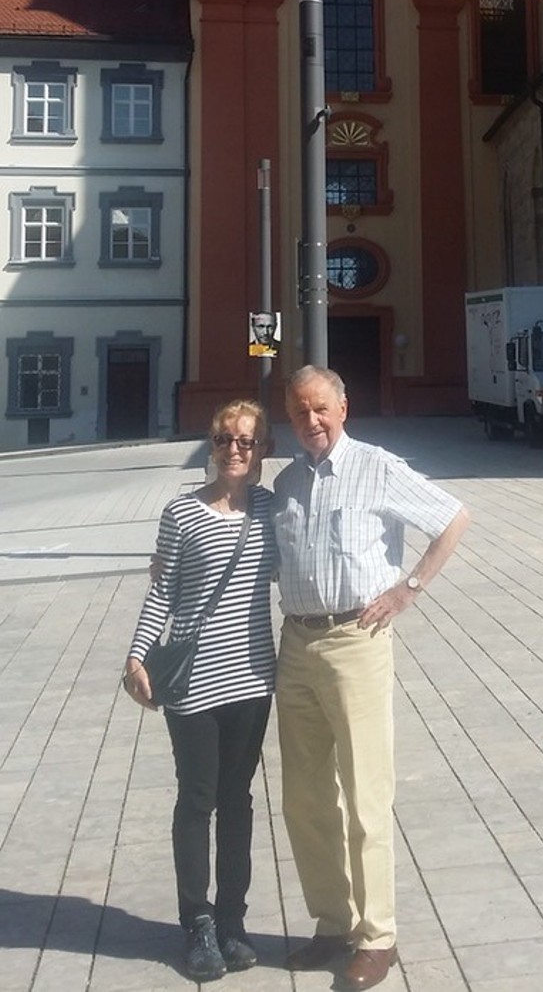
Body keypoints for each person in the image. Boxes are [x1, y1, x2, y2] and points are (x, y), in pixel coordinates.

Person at [276, 366, 470, 990]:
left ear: (343, 408)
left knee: (365, 795)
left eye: (321, 410)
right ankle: (331, 923)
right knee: (305, 798)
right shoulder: (283, 484)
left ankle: (377, 936)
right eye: (300, 411)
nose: (312, 421)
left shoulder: (376, 466)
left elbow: (453, 517)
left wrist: (408, 588)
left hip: (356, 642)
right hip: (296, 644)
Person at [125, 400, 277, 983]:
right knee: (197, 800)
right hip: (193, 681)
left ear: (262, 448)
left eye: (246, 440)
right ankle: (198, 924)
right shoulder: (181, 513)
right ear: (210, 446)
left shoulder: (270, 507)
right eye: (223, 439)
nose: (234, 449)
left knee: (238, 800)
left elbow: (304, 558)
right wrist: (139, 654)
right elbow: (162, 591)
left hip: (252, 677)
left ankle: (233, 919)